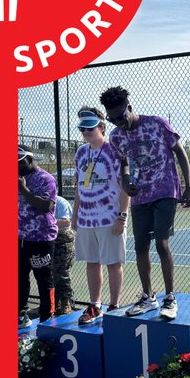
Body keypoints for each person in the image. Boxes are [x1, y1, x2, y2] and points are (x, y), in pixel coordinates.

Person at [99, 85, 190, 321]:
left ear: (130, 108)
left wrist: (188, 185)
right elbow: (124, 164)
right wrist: (126, 182)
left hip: (165, 189)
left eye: (122, 116)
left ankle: (170, 297)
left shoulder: (157, 124)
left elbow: (180, 152)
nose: (119, 122)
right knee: (140, 246)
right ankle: (148, 297)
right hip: (140, 194)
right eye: (113, 119)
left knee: (161, 243)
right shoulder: (116, 136)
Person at [71, 105, 129, 326]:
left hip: (109, 217)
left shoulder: (115, 151)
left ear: (102, 128)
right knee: (92, 262)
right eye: (83, 130)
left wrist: (122, 216)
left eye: (90, 128)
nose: (86, 133)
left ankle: (114, 306)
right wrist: (75, 215)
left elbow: (125, 186)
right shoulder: (80, 153)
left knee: (113, 262)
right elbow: (78, 186)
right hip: (87, 219)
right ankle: (95, 305)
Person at [18, 147, 57, 325]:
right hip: (20, 238)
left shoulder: (45, 179)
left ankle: (47, 317)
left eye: (20, 162)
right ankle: (20, 315)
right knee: (19, 278)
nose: (16, 166)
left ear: (30, 159)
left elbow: (45, 206)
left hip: (40, 239)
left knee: (43, 279)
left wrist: (24, 190)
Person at [52, 193, 75, 316]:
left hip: (62, 240)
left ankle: (66, 302)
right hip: (48, 240)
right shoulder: (38, 202)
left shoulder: (60, 202)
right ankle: (54, 303)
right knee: (50, 274)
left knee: (62, 274)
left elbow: (66, 222)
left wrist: (47, 221)